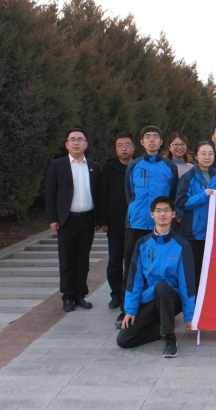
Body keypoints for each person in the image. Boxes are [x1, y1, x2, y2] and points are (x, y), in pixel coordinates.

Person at [117, 196, 196, 358]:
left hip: (171, 299)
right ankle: (159, 329)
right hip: (151, 300)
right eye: (158, 211)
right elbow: (134, 280)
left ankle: (169, 337)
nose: (163, 214)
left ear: (173, 214)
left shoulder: (182, 245)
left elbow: (186, 283)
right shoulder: (142, 244)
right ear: (152, 214)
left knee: (162, 286)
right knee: (124, 340)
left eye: (166, 210)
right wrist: (130, 310)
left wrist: (189, 314)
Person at [117, 126, 178, 328]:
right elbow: (129, 194)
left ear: (161, 142)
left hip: (159, 225)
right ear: (142, 142)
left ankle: (158, 308)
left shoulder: (169, 166)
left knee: (158, 267)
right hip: (136, 224)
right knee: (131, 268)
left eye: (155, 137)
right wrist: (136, 210)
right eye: (147, 137)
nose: (152, 140)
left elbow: (172, 195)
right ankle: (125, 310)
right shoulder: (134, 165)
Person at [45, 128, 100, 312]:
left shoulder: (94, 166)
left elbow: (98, 194)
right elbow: (50, 194)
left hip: (87, 219)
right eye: (73, 139)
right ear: (67, 144)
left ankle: (80, 294)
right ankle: (67, 296)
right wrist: (53, 218)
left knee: (83, 260)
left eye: (80, 139)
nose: (76, 143)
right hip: (67, 220)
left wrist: (99, 219)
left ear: (86, 144)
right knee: (67, 260)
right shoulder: (57, 165)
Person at [176, 142, 216, 291]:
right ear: (196, 156)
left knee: (212, 271)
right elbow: (181, 202)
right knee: (195, 270)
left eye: (210, 153)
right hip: (194, 233)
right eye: (203, 153)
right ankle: (194, 302)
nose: (207, 157)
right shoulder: (188, 177)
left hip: (215, 233)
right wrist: (203, 195)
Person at [98, 132, 134, 309]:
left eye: (127, 145)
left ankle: (131, 296)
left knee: (133, 262)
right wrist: (102, 220)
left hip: (136, 224)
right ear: (115, 148)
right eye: (120, 145)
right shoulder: (109, 168)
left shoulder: (138, 166)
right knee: (114, 262)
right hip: (115, 222)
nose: (124, 148)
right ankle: (116, 295)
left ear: (134, 147)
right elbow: (101, 195)